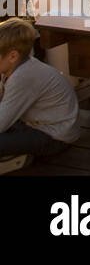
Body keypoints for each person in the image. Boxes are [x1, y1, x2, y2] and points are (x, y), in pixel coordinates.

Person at [0, 20, 78, 171]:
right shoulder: (16, 68)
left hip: (54, 137)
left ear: (12, 56)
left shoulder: (23, 77)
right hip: (33, 125)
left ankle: (19, 159)